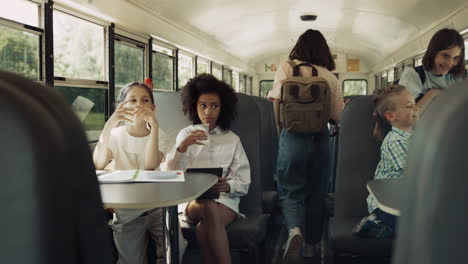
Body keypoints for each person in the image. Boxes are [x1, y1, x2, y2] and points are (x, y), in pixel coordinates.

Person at [269, 29, 344, 263]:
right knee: (316, 192)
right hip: (320, 139)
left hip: (291, 137)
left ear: (298, 47)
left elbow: (276, 102)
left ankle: (294, 232)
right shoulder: (329, 77)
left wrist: (281, 131)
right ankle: (311, 246)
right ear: (324, 51)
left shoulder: (286, 68)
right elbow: (338, 116)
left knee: (290, 190)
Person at [161, 73, 250, 264]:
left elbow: (244, 181)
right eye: (203, 105)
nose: (208, 112)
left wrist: (226, 186)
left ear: (222, 108)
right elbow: (169, 174)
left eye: (214, 106)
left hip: (226, 201)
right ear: (194, 106)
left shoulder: (232, 139)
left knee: (204, 228)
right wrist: (181, 148)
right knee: (208, 207)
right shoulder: (185, 135)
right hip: (192, 201)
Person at [93, 81, 165, 264]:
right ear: (122, 106)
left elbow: (149, 166)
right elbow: (99, 163)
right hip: (127, 209)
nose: (139, 105)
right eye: (132, 100)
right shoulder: (116, 135)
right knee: (130, 260)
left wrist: (154, 127)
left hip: (157, 206)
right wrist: (111, 122)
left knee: (174, 249)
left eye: (144, 100)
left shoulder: (161, 134)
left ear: (153, 107)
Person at [353, 85, 419, 238]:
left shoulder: (416, 135)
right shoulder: (394, 141)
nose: (416, 108)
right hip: (387, 205)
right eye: (409, 106)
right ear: (390, 116)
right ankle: (377, 223)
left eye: (415, 103)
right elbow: (414, 173)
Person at [399, 28, 465, 113]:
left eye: (455, 58)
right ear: (433, 53)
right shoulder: (414, 76)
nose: (450, 63)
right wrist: (432, 94)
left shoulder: (458, 78)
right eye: (445, 56)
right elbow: (403, 116)